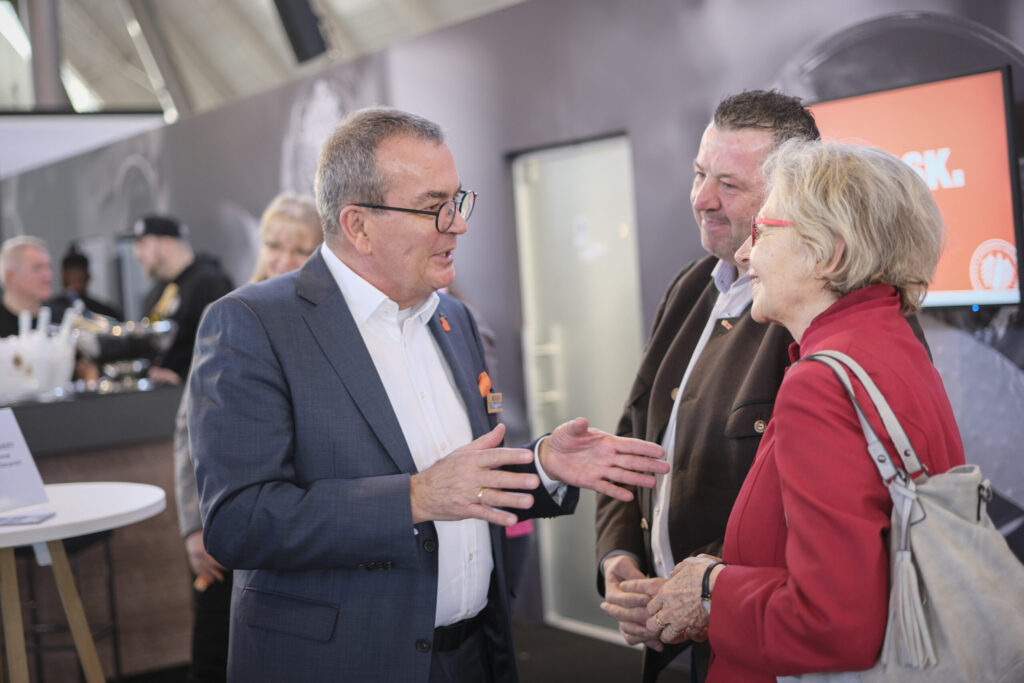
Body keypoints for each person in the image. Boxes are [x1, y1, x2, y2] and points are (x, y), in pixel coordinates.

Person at [187, 106, 668, 683]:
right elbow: (239, 522)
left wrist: (543, 465)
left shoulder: (455, 320)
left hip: (474, 654)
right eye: (433, 206)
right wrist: (415, 498)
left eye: (458, 200)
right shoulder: (253, 324)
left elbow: (464, 484)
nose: (457, 224)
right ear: (358, 225)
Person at [639, 139, 965, 682]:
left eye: (763, 231)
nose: (745, 254)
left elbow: (833, 622)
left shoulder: (822, 382)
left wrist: (712, 587)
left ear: (828, 253)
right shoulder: (889, 346)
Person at [594, 90, 820, 682]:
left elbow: (815, 509)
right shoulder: (691, 286)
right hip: (673, 641)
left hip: (761, 645)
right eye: (699, 174)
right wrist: (619, 558)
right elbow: (633, 434)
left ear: (792, 193)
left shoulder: (819, 309)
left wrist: (702, 588)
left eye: (729, 184)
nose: (701, 199)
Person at [173, 192, 323, 682]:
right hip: (232, 531)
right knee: (216, 657)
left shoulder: (334, 324)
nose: (283, 259)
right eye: (275, 245)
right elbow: (190, 430)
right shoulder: (232, 316)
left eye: (299, 249)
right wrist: (195, 525)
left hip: (304, 536)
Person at [129, 214, 234, 384]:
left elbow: (225, 346)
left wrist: (184, 379)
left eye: (143, 245)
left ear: (166, 245)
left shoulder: (209, 283)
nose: (138, 254)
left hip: (198, 393)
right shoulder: (156, 293)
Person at [48, 243, 123, 321]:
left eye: (80, 271)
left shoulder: (106, 311)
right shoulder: (50, 310)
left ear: (88, 276)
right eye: (72, 271)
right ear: (63, 275)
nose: (77, 275)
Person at [0, 235, 53, 337]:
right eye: (37, 268)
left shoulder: (62, 321)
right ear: (10, 277)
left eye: (48, 267)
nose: (48, 275)